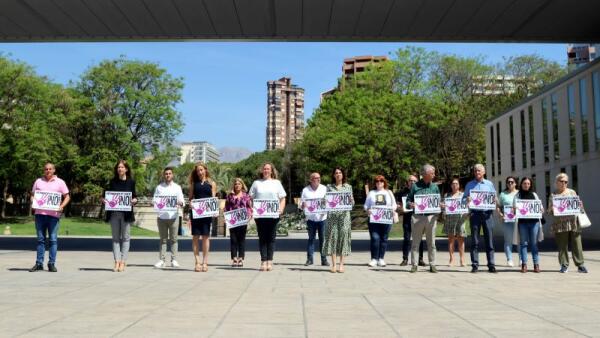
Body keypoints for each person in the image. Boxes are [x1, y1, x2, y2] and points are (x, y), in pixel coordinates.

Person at [29, 162, 71, 272]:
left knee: (53, 240)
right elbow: (33, 195)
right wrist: (33, 201)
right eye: (46, 169)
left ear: (54, 170)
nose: (48, 171)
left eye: (50, 169)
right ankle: (39, 263)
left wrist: (62, 206)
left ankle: (51, 264)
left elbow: (67, 197)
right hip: (40, 215)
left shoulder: (60, 182)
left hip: (54, 216)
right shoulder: (38, 181)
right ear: (44, 170)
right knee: (40, 240)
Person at [249, 162, 286, 272]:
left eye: (268, 169)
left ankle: (270, 260)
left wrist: (281, 209)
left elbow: (283, 198)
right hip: (260, 216)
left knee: (271, 238)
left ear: (271, 171)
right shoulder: (256, 183)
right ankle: (263, 261)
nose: (266, 170)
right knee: (262, 238)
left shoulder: (277, 183)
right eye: (264, 169)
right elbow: (250, 198)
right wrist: (251, 208)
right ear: (262, 170)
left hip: (273, 215)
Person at [548, 173, 588, 273]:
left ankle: (580, 265)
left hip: (574, 222)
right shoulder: (553, 195)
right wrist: (552, 208)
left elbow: (578, 207)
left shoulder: (572, 192)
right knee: (562, 245)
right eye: (562, 181)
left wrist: (581, 205)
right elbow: (549, 211)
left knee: (577, 244)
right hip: (560, 224)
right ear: (557, 182)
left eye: (566, 182)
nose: (564, 183)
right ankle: (564, 265)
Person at [103, 160, 137, 272]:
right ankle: (116, 261)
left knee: (126, 238)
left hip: (126, 214)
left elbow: (135, 197)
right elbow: (105, 196)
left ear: (126, 169)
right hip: (114, 214)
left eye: (122, 167)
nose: (120, 169)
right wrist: (103, 200)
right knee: (115, 238)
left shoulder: (131, 182)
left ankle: (123, 261)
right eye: (118, 167)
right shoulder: (112, 182)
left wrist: (134, 200)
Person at [406, 164, 441, 273]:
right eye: (432, 173)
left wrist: (441, 205)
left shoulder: (435, 187)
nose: (434, 175)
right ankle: (414, 265)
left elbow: (438, 201)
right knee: (416, 243)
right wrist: (410, 204)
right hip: (417, 218)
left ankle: (432, 264)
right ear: (425, 174)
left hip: (431, 217)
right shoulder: (415, 186)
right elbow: (407, 201)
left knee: (431, 243)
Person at [464, 164, 497, 273]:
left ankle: (491, 265)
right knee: (475, 241)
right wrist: (467, 199)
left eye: (479, 171)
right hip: (475, 215)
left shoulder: (489, 184)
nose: (477, 172)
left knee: (489, 240)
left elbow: (494, 198)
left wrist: (495, 201)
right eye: (475, 171)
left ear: (483, 172)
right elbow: (463, 200)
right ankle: (475, 265)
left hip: (487, 215)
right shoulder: (469, 185)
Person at [323, 167, 354, 273]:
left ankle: (341, 264)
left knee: (343, 238)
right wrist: (325, 201)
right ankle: (333, 265)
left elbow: (352, 203)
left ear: (343, 175)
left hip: (344, 217)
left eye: (340, 173)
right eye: (336, 173)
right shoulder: (329, 187)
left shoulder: (348, 187)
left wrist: (351, 200)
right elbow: (325, 200)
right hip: (332, 217)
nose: (338, 174)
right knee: (333, 238)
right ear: (333, 175)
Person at [153, 167, 184, 269]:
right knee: (163, 240)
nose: (168, 175)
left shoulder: (177, 187)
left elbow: (182, 201)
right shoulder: (159, 187)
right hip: (161, 217)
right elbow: (154, 201)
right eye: (166, 173)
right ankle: (162, 260)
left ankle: (174, 260)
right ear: (164, 175)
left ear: (172, 175)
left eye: (169, 173)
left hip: (174, 216)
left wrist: (180, 203)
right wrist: (154, 203)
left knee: (174, 239)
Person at [188, 162, 217, 272]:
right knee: (195, 237)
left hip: (207, 215)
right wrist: (190, 203)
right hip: (196, 214)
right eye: (198, 171)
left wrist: (214, 210)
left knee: (205, 237)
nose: (200, 172)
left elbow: (213, 199)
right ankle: (197, 262)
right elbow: (190, 198)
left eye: (201, 170)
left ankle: (205, 262)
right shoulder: (193, 184)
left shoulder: (212, 183)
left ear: (205, 170)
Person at [364, 175, 397, 268]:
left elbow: (394, 205)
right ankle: (374, 259)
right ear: (375, 183)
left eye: (381, 181)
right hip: (374, 220)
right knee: (375, 238)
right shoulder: (371, 193)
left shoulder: (389, 192)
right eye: (377, 181)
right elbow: (366, 205)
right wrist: (368, 210)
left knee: (384, 238)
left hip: (386, 219)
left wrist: (392, 209)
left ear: (384, 183)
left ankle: (381, 258)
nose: (379, 183)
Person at [513, 177, 543, 273]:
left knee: (534, 244)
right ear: (521, 184)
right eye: (525, 183)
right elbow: (514, 210)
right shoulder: (517, 196)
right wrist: (515, 209)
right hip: (523, 223)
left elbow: (541, 208)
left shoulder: (534, 194)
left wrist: (541, 209)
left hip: (534, 223)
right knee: (524, 244)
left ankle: (536, 264)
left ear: (530, 185)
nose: (526, 185)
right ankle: (524, 264)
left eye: (528, 183)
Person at [395, 175, 425, 267]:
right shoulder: (401, 193)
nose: (412, 182)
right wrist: (400, 208)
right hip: (407, 218)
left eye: (414, 181)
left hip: (419, 218)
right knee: (407, 239)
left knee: (419, 239)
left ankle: (420, 259)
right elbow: (397, 207)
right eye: (410, 180)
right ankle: (405, 259)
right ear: (407, 182)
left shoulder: (420, 191)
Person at [301, 172, 329, 267]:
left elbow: (328, 202)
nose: (318, 179)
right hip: (311, 219)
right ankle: (309, 259)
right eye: (316, 178)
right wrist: (303, 205)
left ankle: (324, 259)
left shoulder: (324, 189)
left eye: (319, 177)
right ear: (311, 179)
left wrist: (326, 206)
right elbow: (301, 204)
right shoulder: (305, 190)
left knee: (323, 239)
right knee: (311, 239)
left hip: (322, 218)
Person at [225, 178, 252, 267]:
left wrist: (249, 215)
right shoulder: (230, 196)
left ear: (242, 185)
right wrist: (226, 217)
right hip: (233, 221)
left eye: (239, 184)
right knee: (233, 240)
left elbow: (249, 207)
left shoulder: (246, 196)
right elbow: (227, 207)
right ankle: (234, 258)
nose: (237, 185)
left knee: (241, 240)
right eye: (236, 184)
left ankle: (240, 258)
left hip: (243, 220)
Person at [442, 178, 467, 267]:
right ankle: (451, 259)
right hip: (449, 219)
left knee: (461, 240)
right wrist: (443, 207)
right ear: (451, 185)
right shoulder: (446, 195)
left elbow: (467, 207)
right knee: (451, 241)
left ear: (459, 185)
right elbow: (443, 207)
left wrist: (467, 211)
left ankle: (462, 259)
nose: (454, 185)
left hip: (460, 220)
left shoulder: (463, 195)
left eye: (456, 183)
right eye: (453, 183)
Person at [497, 176, 519, 267]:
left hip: (519, 220)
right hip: (507, 220)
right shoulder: (503, 194)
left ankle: (522, 259)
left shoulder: (519, 193)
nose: (510, 183)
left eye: (512, 182)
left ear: (515, 183)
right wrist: (500, 214)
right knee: (508, 240)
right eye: (508, 182)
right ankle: (509, 259)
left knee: (519, 240)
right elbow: (498, 206)